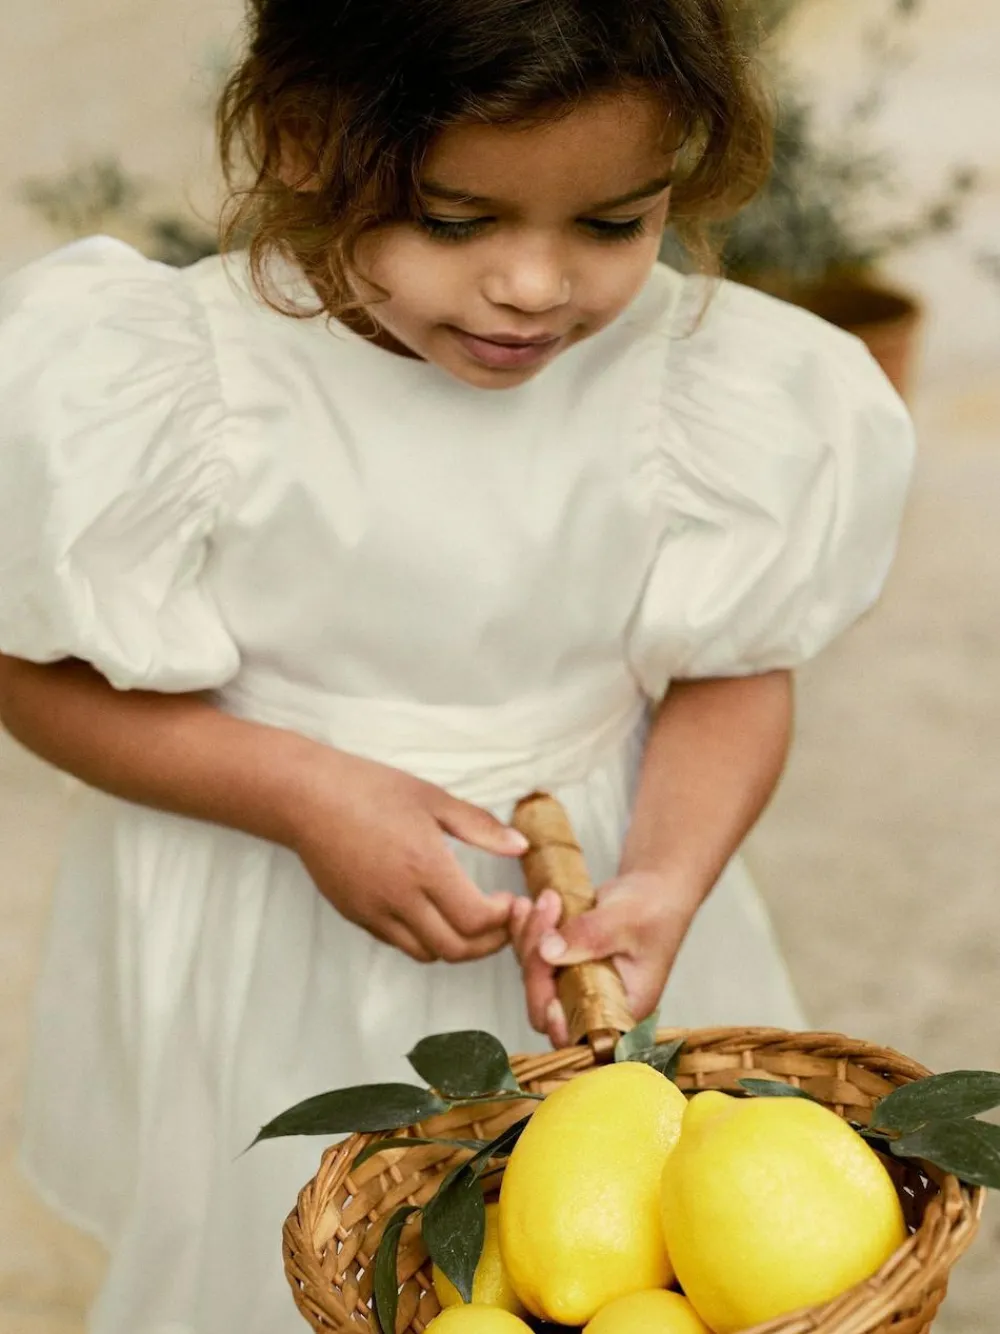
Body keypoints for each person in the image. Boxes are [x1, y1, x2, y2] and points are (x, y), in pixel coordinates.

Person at [0, 0, 914, 1329]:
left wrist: (667, 876)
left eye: (614, 223)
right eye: (455, 218)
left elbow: (735, 665)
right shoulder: (178, 380)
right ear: (309, 142)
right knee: (291, 1254)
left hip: (592, 890)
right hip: (278, 898)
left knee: (625, 1257)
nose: (537, 286)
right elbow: (34, 670)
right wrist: (302, 793)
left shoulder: (700, 385)